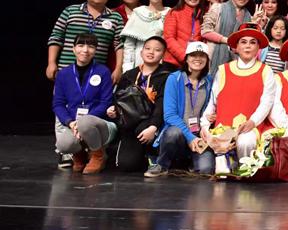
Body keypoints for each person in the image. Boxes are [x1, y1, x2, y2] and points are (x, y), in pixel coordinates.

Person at [201, 23, 277, 162]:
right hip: (224, 127)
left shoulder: (266, 71)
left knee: (245, 142)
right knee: (219, 167)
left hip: (250, 127)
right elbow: (213, 102)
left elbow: (267, 102)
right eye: (243, 42)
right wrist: (204, 125)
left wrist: (253, 121)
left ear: (258, 48)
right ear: (236, 47)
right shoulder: (223, 70)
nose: (248, 46)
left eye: (252, 42)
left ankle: (245, 171)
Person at [108, 36, 176, 172]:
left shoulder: (168, 76)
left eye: (157, 50)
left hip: (152, 122)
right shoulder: (129, 75)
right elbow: (118, 98)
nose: (151, 52)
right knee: (127, 165)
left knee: (143, 130)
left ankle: (153, 154)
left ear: (163, 54)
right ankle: (139, 155)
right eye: (148, 48)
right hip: (129, 123)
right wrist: (113, 109)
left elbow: (162, 104)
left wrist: (153, 127)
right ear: (141, 51)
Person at [148, 41, 215, 176]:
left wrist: (212, 116)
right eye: (193, 55)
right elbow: (169, 115)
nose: (197, 59)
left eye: (202, 55)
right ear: (186, 59)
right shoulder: (175, 78)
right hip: (179, 131)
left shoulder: (209, 81)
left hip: (198, 134)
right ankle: (162, 164)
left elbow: (212, 105)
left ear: (207, 60)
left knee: (206, 170)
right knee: (173, 133)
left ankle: (190, 163)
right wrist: (190, 137)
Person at [52, 33, 117, 174]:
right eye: (81, 45)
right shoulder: (63, 74)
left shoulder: (103, 71)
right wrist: (70, 122)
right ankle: (79, 154)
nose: (85, 50)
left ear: (95, 50)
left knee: (85, 123)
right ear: (73, 48)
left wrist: (82, 121)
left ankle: (98, 155)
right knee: (63, 145)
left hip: (100, 125)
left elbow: (106, 102)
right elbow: (58, 104)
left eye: (91, 46)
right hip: (74, 124)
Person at [47, 0, 125, 85]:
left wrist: (118, 68)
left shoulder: (115, 17)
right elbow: (56, 38)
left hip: (96, 75)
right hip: (66, 70)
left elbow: (120, 45)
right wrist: (51, 62)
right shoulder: (70, 11)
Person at [201, 0, 253, 73]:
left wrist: (255, 23)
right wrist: (228, 40)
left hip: (237, 60)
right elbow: (205, 31)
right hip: (213, 57)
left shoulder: (248, 16)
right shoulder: (218, 8)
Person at [120, 0, 170, 71]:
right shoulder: (139, 12)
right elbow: (129, 45)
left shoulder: (170, 13)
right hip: (139, 61)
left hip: (163, 62)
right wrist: (127, 68)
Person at [163, 0, 207, 67]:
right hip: (173, 63)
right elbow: (169, 38)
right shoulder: (174, 12)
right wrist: (185, 57)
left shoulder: (205, 15)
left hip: (196, 64)